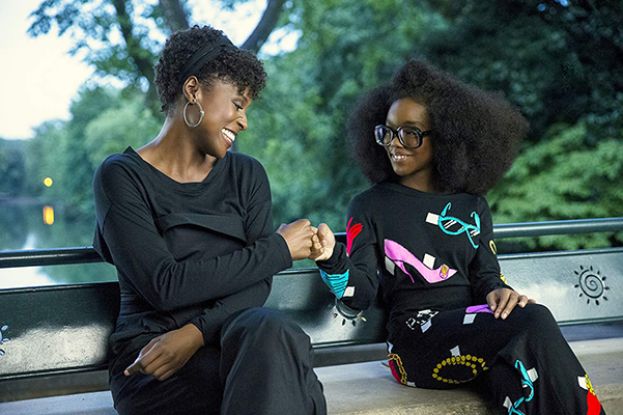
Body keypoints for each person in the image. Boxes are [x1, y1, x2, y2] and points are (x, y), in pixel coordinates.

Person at [310, 60, 605, 414]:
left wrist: (499, 292)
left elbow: (485, 275)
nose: (395, 144)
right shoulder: (370, 206)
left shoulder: (472, 206)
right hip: (416, 345)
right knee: (535, 318)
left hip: (479, 339)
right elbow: (361, 293)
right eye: (387, 131)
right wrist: (330, 257)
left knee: (520, 388)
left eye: (410, 132)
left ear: (447, 138)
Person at [92, 25, 326, 415]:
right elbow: (164, 285)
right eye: (237, 104)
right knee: (283, 373)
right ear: (194, 90)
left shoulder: (248, 176)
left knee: (271, 333)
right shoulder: (121, 176)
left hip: (236, 347)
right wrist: (278, 249)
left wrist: (197, 333)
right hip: (155, 361)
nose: (243, 120)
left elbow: (257, 285)